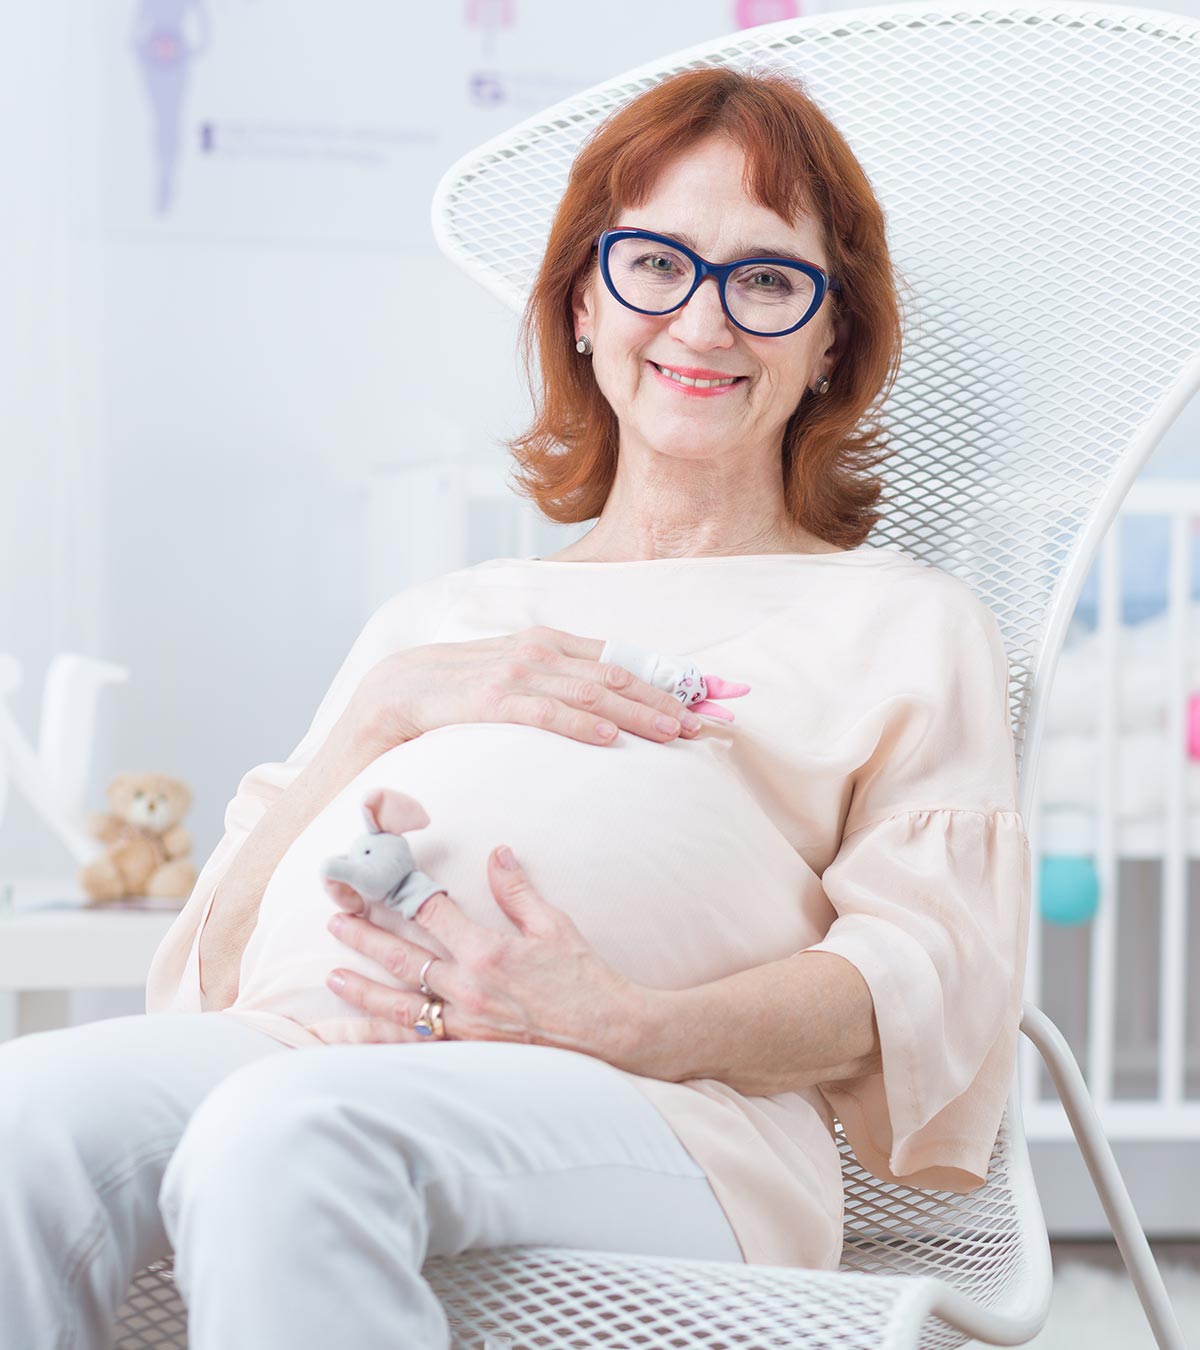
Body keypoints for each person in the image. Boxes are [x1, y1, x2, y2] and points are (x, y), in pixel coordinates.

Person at [0, 65, 1030, 1349]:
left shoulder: (907, 622)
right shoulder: (441, 613)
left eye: (768, 279)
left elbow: (926, 980)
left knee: (288, 1142)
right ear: (586, 305)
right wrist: (385, 708)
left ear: (831, 341)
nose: (705, 323)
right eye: (656, 262)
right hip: (313, 1043)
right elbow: (208, 971)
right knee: (22, 1114)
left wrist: (628, 1022)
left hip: (665, 1110)